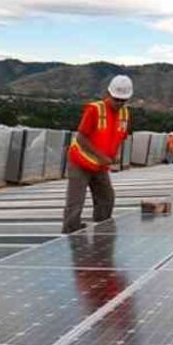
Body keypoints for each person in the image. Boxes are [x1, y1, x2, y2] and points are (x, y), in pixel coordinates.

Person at [63, 75, 133, 234]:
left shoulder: (125, 114)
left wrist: (115, 154)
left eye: (123, 101)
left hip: (100, 166)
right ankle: (69, 233)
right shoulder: (95, 110)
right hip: (80, 162)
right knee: (75, 202)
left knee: (107, 198)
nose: (119, 103)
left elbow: (119, 137)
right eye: (116, 99)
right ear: (108, 94)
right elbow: (81, 138)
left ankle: (101, 230)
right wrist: (101, 156)